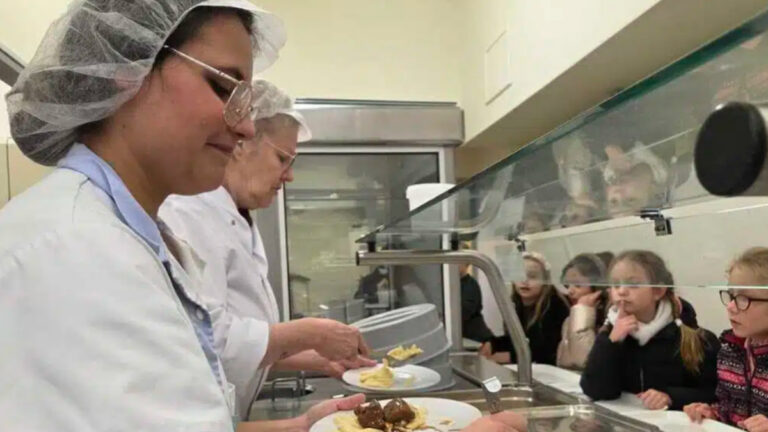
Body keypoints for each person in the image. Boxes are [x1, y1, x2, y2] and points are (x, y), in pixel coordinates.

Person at [0, 1, 376, 430]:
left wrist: (301, 425)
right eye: (222, 87)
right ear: (127, 72)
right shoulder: (75, 249)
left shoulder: (129, 235)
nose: (246, 128)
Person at [159, 81, 375, 419]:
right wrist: (309, 333)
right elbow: (208, 343)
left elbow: (243, 347)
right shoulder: (190, 212)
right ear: (241, 144)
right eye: (282, 159)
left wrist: (315, 359)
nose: (289, 176)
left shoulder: (238, 216)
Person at [580, 250, 719, 411]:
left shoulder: (695, 339)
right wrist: (612, 343)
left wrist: (671, 397)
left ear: (658, 291)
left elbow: (715, 393)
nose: (621, 291)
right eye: (616, 285)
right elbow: (595, 390)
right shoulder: (610, 333)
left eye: (633, 284)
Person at [685, 247, 768, 431]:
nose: (730, 306)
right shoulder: (730, 349)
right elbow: (728, 410)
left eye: (743, 298)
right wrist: (712, 414)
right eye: (731, 295)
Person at [479, 252, 570, 365]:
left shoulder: (555, 305)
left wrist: (511, 357)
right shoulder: (516, 303)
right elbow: (518, 339)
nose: (524, 281)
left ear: (545, 281)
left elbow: (548, 350)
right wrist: (493, 344)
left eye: (532, 276)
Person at [556, 253, 610, 370]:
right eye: (567, 285)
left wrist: (582, 311)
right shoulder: (571, 319)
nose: (570, 291)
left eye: (578, 285)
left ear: (597, 288)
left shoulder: (609, 320)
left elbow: (585, 361)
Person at [460, 260, 494, 343]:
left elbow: (463, 312)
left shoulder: (470, 285)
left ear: (466, 265)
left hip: (477, 339)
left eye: (457, 262)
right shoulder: (452, 284)